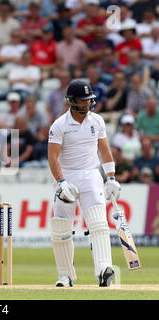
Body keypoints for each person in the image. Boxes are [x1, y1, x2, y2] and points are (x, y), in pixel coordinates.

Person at [48, 79, 121, 287]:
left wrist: (112, 178)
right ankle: (65, 276)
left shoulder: (97, 121)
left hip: (91, 175)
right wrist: (61, 182)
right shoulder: (59, 125)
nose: (88, 103)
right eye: (83, 100)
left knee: (98, 222)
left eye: (90, 99)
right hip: (67, 175)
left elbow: (105, 150)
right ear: (72, 101)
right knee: (61, 226)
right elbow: (53, 157)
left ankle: (104, 269)